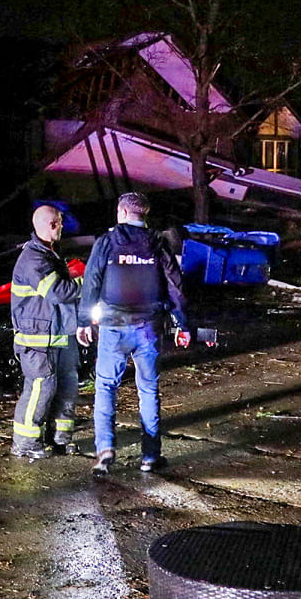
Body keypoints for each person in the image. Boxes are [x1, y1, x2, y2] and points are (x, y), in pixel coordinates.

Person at [77, 191, 190, 475]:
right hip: (148, 327)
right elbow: (175, 284)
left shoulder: (106, 243)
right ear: (144, 214)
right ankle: (150, 456)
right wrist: (182, 322)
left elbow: (91, 281)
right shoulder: (157, 243)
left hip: (113, 326)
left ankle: (105, 450)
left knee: (105, 387)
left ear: (122, 213)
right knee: (148, 390)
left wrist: (83, 321)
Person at [8, 204, 84, 460]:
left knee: (67, 387)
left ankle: (60, 439)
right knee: (41, 389)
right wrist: (87, 282)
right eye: (60, 222)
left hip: (59, 336)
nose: (62, 226)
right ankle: (25, 443)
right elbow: (58, 293)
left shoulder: (49, 254)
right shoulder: (33, 259)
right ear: (52, 225)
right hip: (38, 341)